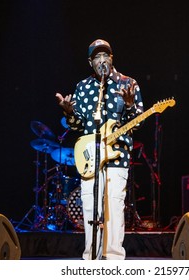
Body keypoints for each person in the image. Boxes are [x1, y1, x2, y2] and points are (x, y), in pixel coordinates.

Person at [55, 39, 143, 260]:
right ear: (90, 62)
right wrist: (69, 113)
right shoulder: (82, 87)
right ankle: (91, 258)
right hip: (91, 156)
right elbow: (78, 125)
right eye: (97, 57)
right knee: (89, 207)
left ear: (112, 58)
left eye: (105, 56)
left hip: (117, 155)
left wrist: (131, 106)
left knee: (113, 207)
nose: (102, 60)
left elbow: (138, 122)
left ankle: (113, 259)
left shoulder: (128, 83)